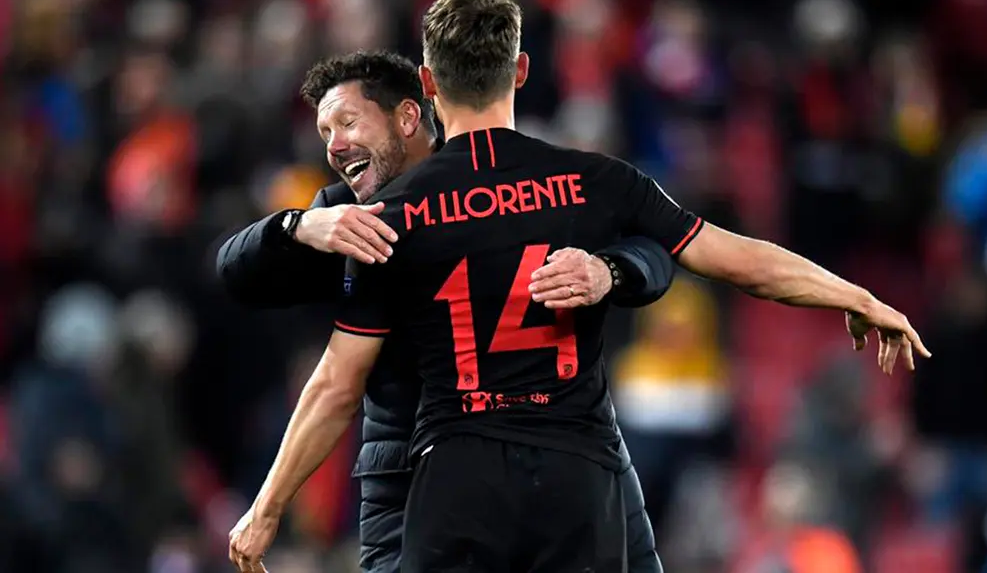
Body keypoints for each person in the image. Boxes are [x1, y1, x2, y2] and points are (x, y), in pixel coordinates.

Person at [228, 0, 931, 572]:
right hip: (576, 471)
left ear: (430, 85)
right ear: (523, 71)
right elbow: (738, 259)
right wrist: (859, 295)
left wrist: (265, 511)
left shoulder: (389, 216)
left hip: (455, 471)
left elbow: (336, 383)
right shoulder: (594, 182)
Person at [218, 51, 673, 573]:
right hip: (409, 475)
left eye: (346, 122)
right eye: (324, 133)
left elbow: (657, 249)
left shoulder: (511, 185)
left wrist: (609, 269)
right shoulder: (350, 218)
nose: (335, 146)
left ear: (409, 116)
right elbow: (236, 274)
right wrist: (297, 227)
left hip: (562, 451)